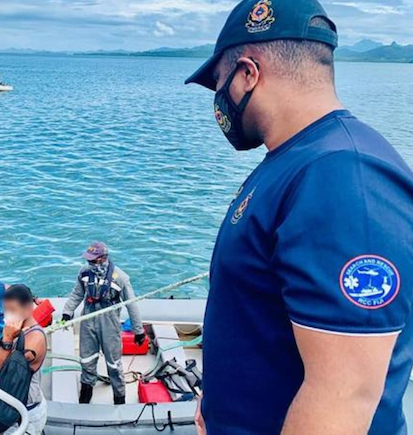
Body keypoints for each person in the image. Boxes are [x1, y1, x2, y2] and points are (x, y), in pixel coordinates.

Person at [183, 1, 413, 434]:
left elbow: (342, 396)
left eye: (220, 84)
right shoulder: (294, 160)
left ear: (249, 73)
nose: (219, 101)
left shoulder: (344, 176)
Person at [62, 242, 145, 405]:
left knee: (113, 362)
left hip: (109, 320)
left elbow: (131, 303)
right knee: (86, 358)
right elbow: (77, 294)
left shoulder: (120, 277)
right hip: (88, 317)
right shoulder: (84, 272)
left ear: (103, 259)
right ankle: (86, 389)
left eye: (93, 260)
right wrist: (67, 311)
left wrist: (138, 330)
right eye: (89, 260)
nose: (90, 264)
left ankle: (119, 397)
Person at [0, 284, 48, 435]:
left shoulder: (35, 339)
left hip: (27, 412)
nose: (7, 315)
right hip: (13, 407)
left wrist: (7, 338)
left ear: (27, 308)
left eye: (12, 310)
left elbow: (2, 372)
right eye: (6, 310)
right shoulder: (18, 330)